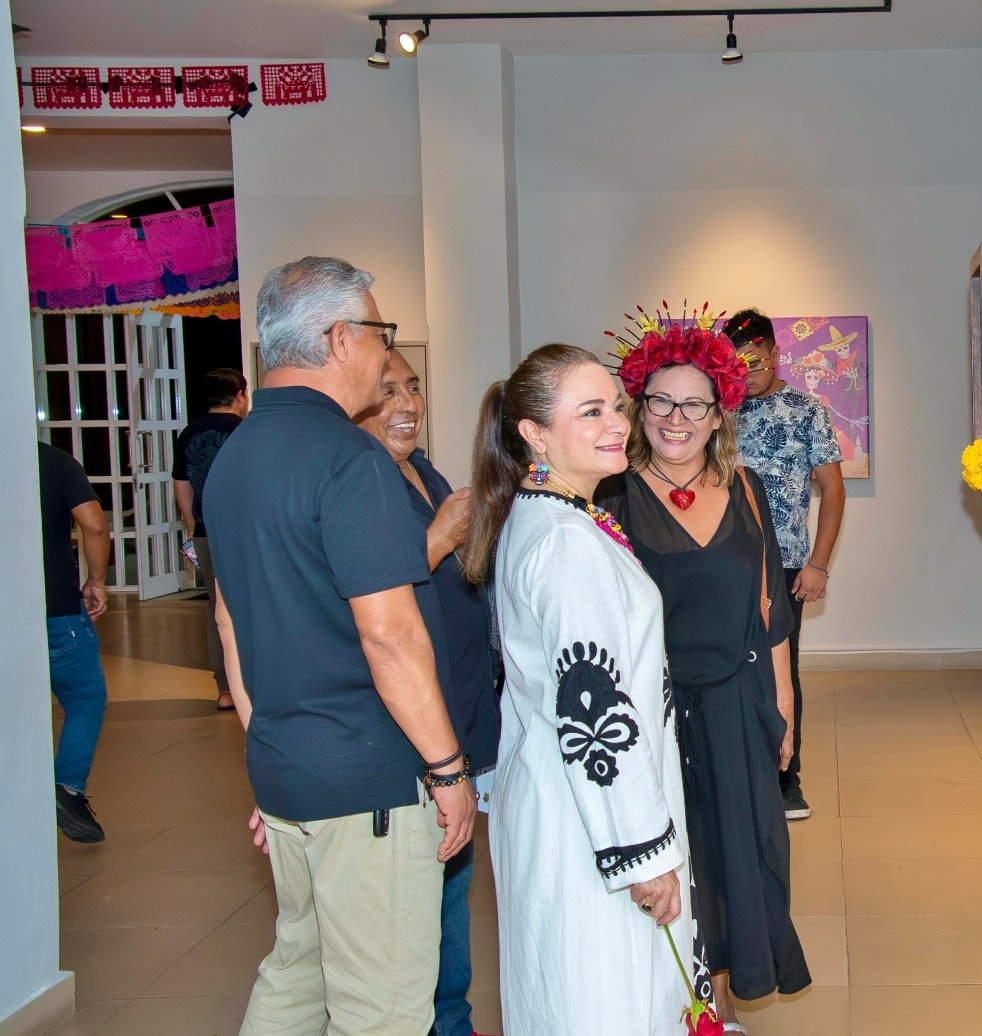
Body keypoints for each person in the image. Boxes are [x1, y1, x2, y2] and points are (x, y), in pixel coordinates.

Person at [204, 256, 475, 1035]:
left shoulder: (235, 457)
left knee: (297, 973)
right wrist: (447, 768)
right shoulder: (349, 459)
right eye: (381, 334)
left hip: (287, 766)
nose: (387, 356)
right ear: (340, 337)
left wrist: (270, 749)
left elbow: (229, 624)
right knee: (381, 1008)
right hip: (367, 779)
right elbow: (390, 636)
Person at [461, 343, 698, 1035]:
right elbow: (592, 707)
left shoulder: (552, 515)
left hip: (560, 800)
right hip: (588, 820)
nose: (617, 424)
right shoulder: (565, 540)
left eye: (616, 407)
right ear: (533, 434)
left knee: (569, 990)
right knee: (602, 997)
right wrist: (642, 855)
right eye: (590, 411)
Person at [597, 311, 811, 1028]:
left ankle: (713, 1004)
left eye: (695, 404)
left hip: (738, 705)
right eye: (661, 401)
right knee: (673, 863)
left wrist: (784, 709)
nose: (676, 418)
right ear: (639, 408)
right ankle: (676, 1002)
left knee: (737, 858)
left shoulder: (747, 489)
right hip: (655, 714)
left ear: (720, 413)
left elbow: (771, 610)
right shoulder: (610, 498)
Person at [355, 351, 500, 1036]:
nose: (408, 403)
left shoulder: (423, 469)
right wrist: (439, 539)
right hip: (415, 724)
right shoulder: (361, 484)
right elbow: (370, 607)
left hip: (461, 704)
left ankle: (452, 1016)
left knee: (454, 878)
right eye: (387, 391)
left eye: (412, 386)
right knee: (423, 893)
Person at [725, 309, 845, 822]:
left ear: (775, 354)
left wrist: (819, 565)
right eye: (737, 363)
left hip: (786, 563)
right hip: (724, 562)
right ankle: (734, 775)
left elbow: (833, 490)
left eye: (755, 360)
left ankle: (785, 780)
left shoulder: (805, 410)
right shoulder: (716, 410)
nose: (747, 371)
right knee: (728, 670)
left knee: (780, 672)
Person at [37, 441, 110, 843]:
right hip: (54, 609)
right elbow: (93, 524)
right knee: (85, 696)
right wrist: (96, 581)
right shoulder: (53, 462)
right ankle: (66, 787)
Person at [173, 367, 248, 711]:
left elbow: (182, 485)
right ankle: (254, 683)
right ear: (240, 396)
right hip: (246, 533)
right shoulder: (246, 430)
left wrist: (194, 526)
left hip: (206, 532)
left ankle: (225, 688)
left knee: (216, 608)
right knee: (253, 605)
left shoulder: (189, 433)